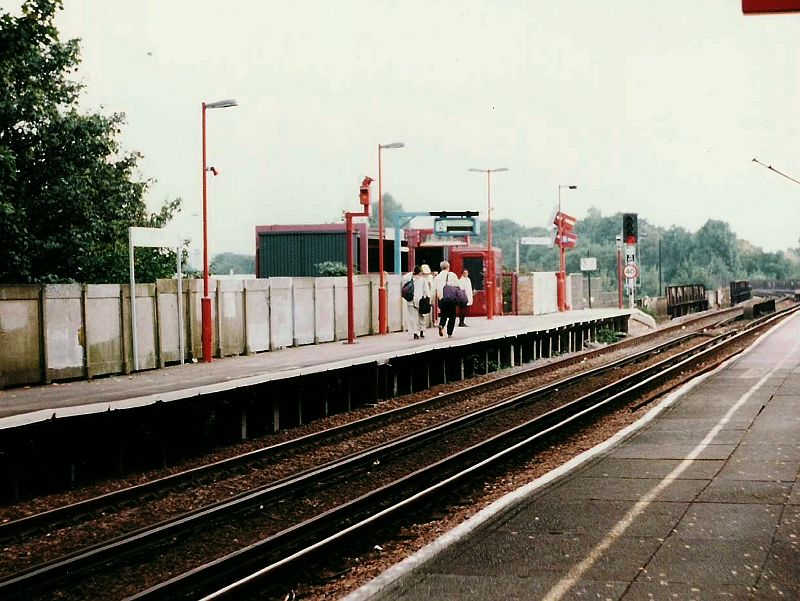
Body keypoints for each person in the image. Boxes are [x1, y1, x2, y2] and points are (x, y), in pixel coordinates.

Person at [402, 265, 432, 339]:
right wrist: (428, 299)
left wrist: (412, 273)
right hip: (421, 300)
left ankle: (415, 333)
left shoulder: (409, 279)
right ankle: (422, 330)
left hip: (411, 300)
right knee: (421, 316)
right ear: (420, 272)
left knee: (412, 317)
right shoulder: (423, 280)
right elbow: (426, 291)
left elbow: (403, 279)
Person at [433, 260, 459, 337]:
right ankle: (449, 333)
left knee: (443, 314)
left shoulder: (437, 277)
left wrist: (431, 301)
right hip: (451, 298)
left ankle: (441, 325)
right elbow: (458, 285)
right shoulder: (452, 275)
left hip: (442, 299)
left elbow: (434, 289)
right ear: (448, 267)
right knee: (452, 316)